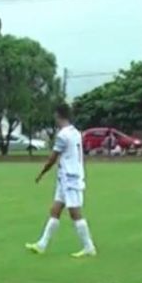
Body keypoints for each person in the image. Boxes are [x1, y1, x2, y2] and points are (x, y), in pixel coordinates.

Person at [26, 103, 97, 258]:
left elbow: (53, 157)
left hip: (70, 178)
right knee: (55, 210)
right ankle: (42, 244)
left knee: (75, 213)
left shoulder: (63, 135)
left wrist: (42, 172)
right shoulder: (75, 132)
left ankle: (89, 246)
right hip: (65, 177)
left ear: (58, 115)